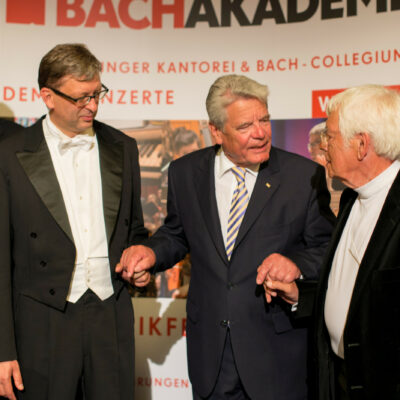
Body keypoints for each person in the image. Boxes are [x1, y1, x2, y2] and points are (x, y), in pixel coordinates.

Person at [117, 74, 334, 399]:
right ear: (216, 131)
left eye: (264, 119)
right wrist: (151, 253)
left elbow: (326, 248)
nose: (261, 133)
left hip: (275, 355)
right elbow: (176, 235)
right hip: (212, 355)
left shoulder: (303, 176)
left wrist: (295, 263)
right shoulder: (185, 173)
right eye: (246, 126)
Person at [0, 43, 148, 400]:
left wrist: (142, 257)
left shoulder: (122, 147)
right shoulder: (9, 154)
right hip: (42, 321)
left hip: (109, 316)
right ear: (48, 96)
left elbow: (135, 230)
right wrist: (3, 349)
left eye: (98, 94)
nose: (93, 106)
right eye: (81, 98)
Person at [261, 84, 400, 399]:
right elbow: (349, 290)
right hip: (335, 380)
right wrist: (300, 295)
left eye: (331, 137)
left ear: (361, 145)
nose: (322, 146)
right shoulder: (351, 196)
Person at [308, 121, 346, 215]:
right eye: (310, 144)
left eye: (316, 143)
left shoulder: (344, 171)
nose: (311, 149)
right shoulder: (307, 172)